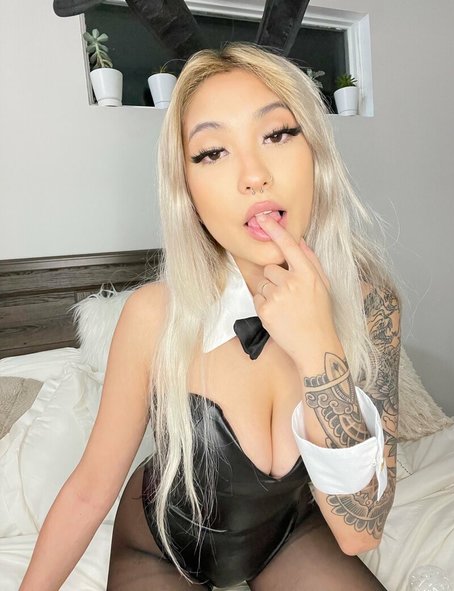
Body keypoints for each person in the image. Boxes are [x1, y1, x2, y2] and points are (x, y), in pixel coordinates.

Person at [20, 43, 400, 590]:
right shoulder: (153, 316)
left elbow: (359, 532)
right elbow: (89, 489)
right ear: (188, 191)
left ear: (316, 153)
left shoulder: (372, 307)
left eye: (277, 134)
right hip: (161, 551)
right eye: (212, 153)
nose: (253, 176)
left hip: (288, 534)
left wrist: (318, 346)